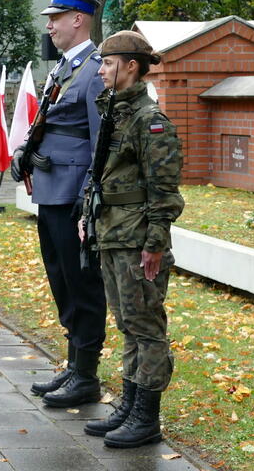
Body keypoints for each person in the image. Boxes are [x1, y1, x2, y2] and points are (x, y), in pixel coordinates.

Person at [79, 31, 183, 448]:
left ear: (131, 66)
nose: (101, 70)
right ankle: (129, 402)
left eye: (107, 63)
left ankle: (147, 416)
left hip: (138, 237)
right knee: (127, 324)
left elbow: (165, 191)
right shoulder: (116, 113)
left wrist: (155, 244)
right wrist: (89, 213)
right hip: (113, 233)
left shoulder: (149, 120)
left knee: (147, 326)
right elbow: (103, 171)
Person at [10, 0, 107, 406]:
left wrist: (89, 198)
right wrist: (23, 152)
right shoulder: (65, 68)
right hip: (51, 192)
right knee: (61, 279)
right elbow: (46, 123)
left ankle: (86, 376)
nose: (48, 26)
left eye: (55, 18)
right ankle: (73, 365)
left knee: (81, 282)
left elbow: (100, 141)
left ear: (77, 20)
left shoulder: (95, 69)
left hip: (72, 197)